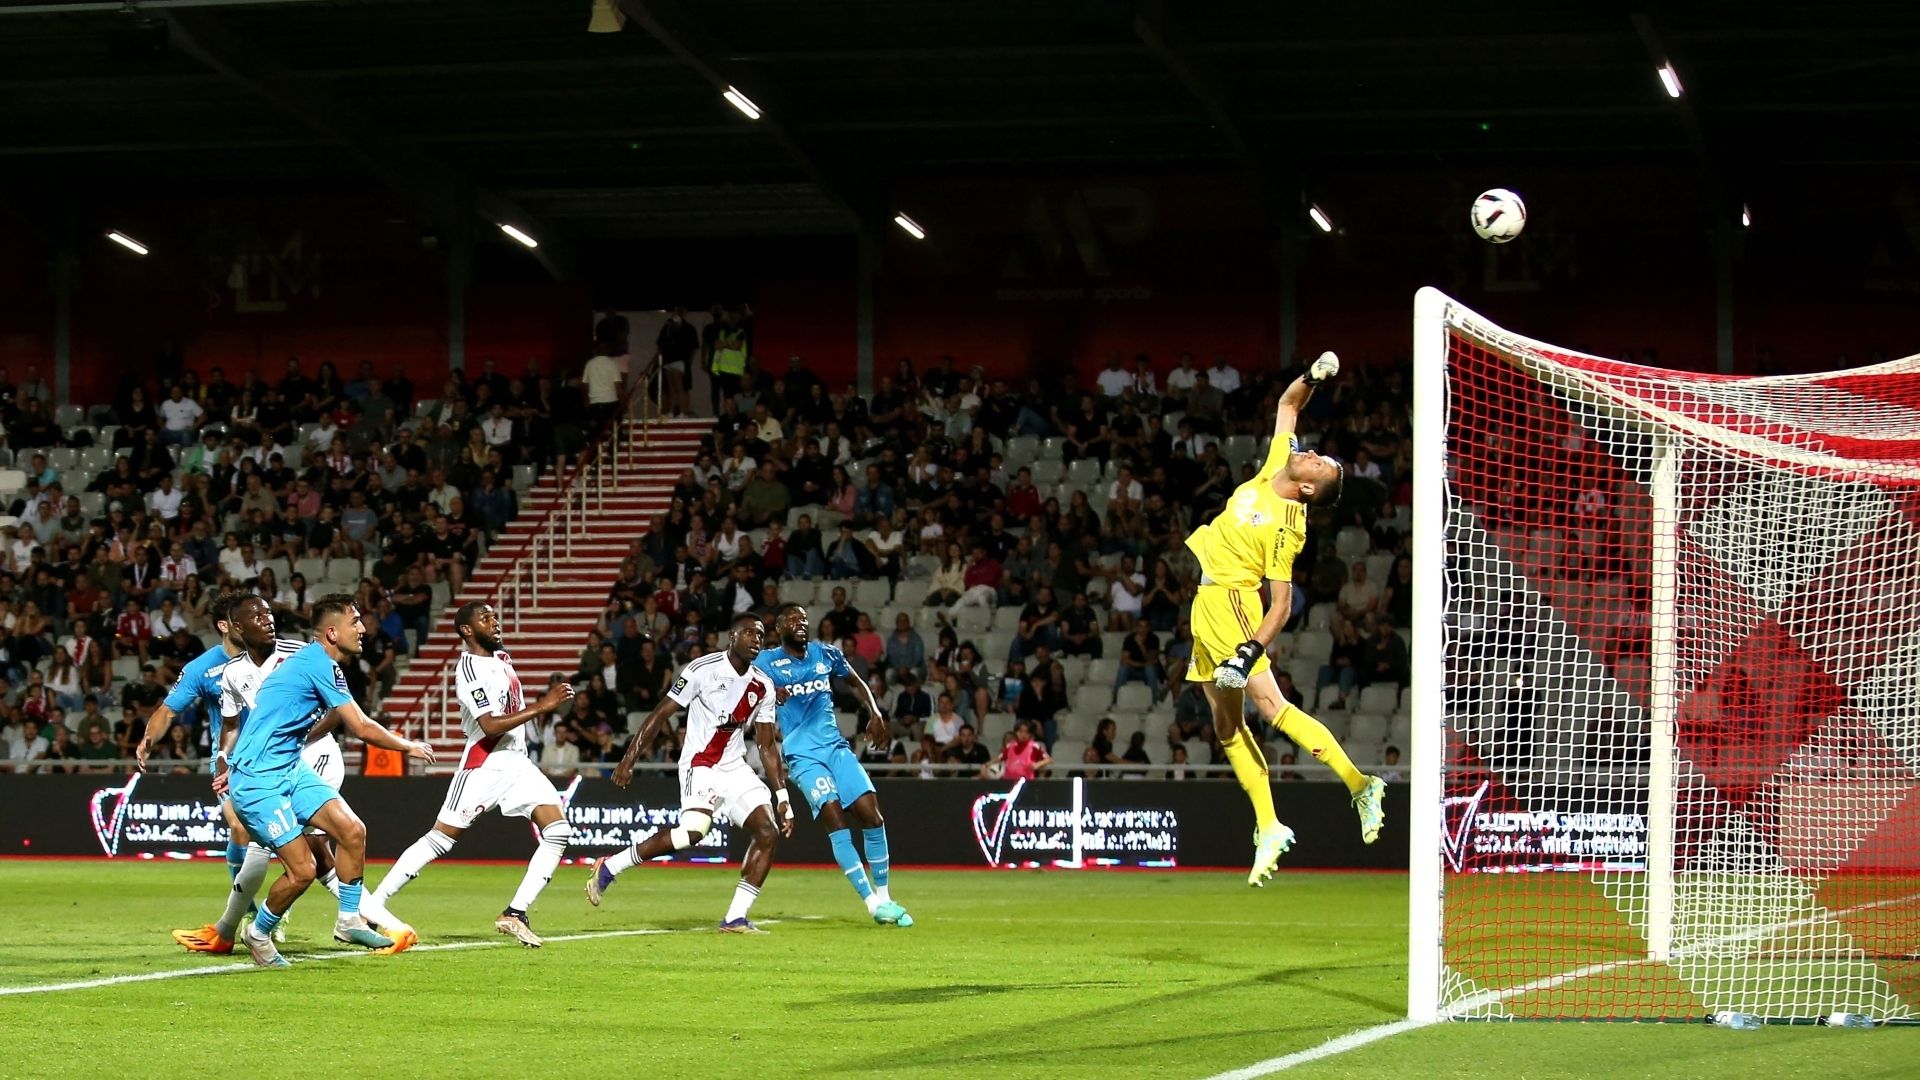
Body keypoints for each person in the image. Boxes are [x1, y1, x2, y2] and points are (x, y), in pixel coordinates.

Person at [1182, 352, 1384, 887]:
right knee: (1226, 725)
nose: (1315, 454)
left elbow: (1282, 603)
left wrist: (1250, 649)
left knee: (1271, 707)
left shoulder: (1288, 524)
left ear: (1312, 489)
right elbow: (1288, 405)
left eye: (1322, 465)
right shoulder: (1276, 466)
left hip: (1233, 603)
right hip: (1206, 606)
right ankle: (1270, 824)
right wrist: (1313, 378)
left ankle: (1355, 785)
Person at [219, 595, 435, 967]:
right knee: (302, 870)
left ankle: (349, 919)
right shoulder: (316, 663)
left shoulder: (325, 666)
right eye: (355, 622)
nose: (364, 629)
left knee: (352, 831)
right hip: (257, 778)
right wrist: (407, 745)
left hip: (289, 767)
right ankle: (257, 933)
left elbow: (336, 719)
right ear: (333, 632)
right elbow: (361, 726)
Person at [362, 602, 577, 949]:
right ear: (466, 630)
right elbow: (489, 725)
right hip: (485, 763)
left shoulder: (502, 660)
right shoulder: (469, 669)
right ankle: (373, 904)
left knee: (558, 831)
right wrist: (542, 706)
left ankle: (515, 913)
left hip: (518, 762)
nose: (495, 622)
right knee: (441, 839)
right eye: (485, 617)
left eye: (495, 615)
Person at [591, 613, 793, 933]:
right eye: (750, 634)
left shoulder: (763, 685)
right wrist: (628, 759)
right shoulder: (701, 669)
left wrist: (783, 796)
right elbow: (661, 714)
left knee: (768, 831)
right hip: (700, 764)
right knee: (692, 833)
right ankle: (611, 866)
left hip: (735, 767)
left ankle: (735, 917)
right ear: (732, 636)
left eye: (761, 635)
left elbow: (767, 745)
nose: (757, 640)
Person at [172, 597, 329, 954]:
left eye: (268, 614)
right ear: (233, 626)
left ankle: (356, 917)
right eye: (256, 616)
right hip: (265, 765)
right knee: (295, 849)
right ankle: (240, 928)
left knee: (324, 847)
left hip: (312, 755)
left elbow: (335, 702)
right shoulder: (231, 671)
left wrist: (304, 734)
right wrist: (226, 760)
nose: (267, 620)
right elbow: (229, 723)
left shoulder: (300, 653)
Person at [752, 604, 912, 927]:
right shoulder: (766, 662)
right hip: (803, 758)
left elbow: (855, 682)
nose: (801, 623)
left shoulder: (825, 653)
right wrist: (766, 689)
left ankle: (885, 895)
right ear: (779, 627)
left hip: (837, 749)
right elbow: (744, 682)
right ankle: (871, 904)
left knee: (871, 814)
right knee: (835, 819)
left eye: (804, 619)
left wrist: (875, 712)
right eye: (793, 619)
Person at [138, 591, 272, 954]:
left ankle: (285, 910)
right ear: (225, 626)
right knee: (239, 825)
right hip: (230, 762)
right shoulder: (202, 668)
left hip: (276, 758)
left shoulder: (272, 655)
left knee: (304, 843)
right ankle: (246, 913)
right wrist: (148, 738)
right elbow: (168, 710)